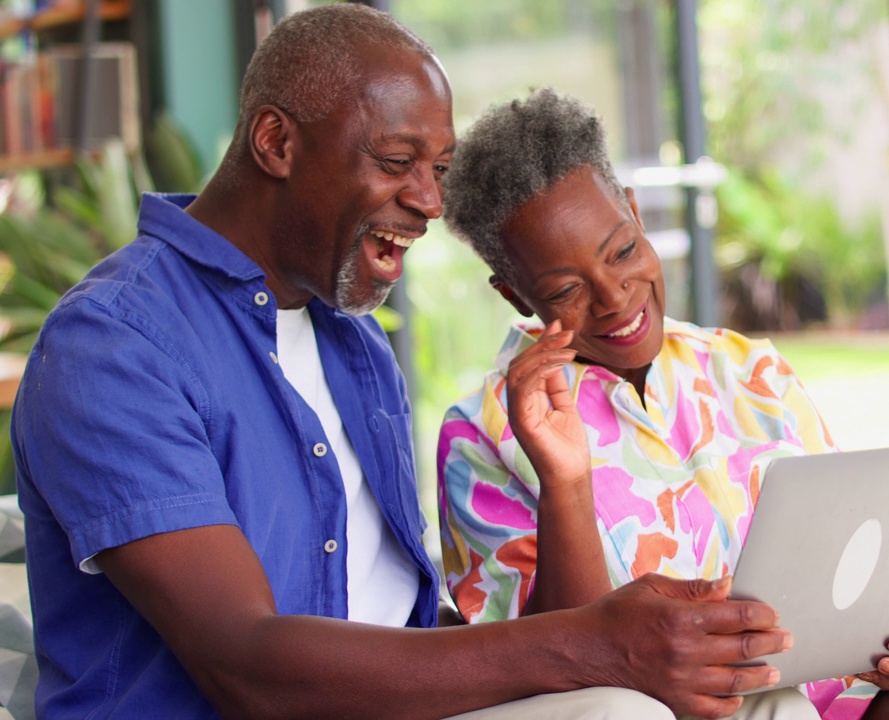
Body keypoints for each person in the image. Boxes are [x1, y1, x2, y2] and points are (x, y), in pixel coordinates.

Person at [10, 7, 807, 719]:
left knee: (761, 691)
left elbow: (402, 622)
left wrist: (623, 638)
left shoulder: (351, 342)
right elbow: (245, 664)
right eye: (397, 162)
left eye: (439, 168)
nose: (430, 201)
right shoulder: (116, 347)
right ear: (276, 142)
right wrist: (593, 646)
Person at [435, 88, 889, 720]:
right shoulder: (480, 437)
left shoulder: (748, 367)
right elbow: (550, 672)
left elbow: (859, 561)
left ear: (635, 213)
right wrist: (565, 480)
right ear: (515, 294)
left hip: (823, 701)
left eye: (622, 251)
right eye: (567, 288)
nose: (615, 296)